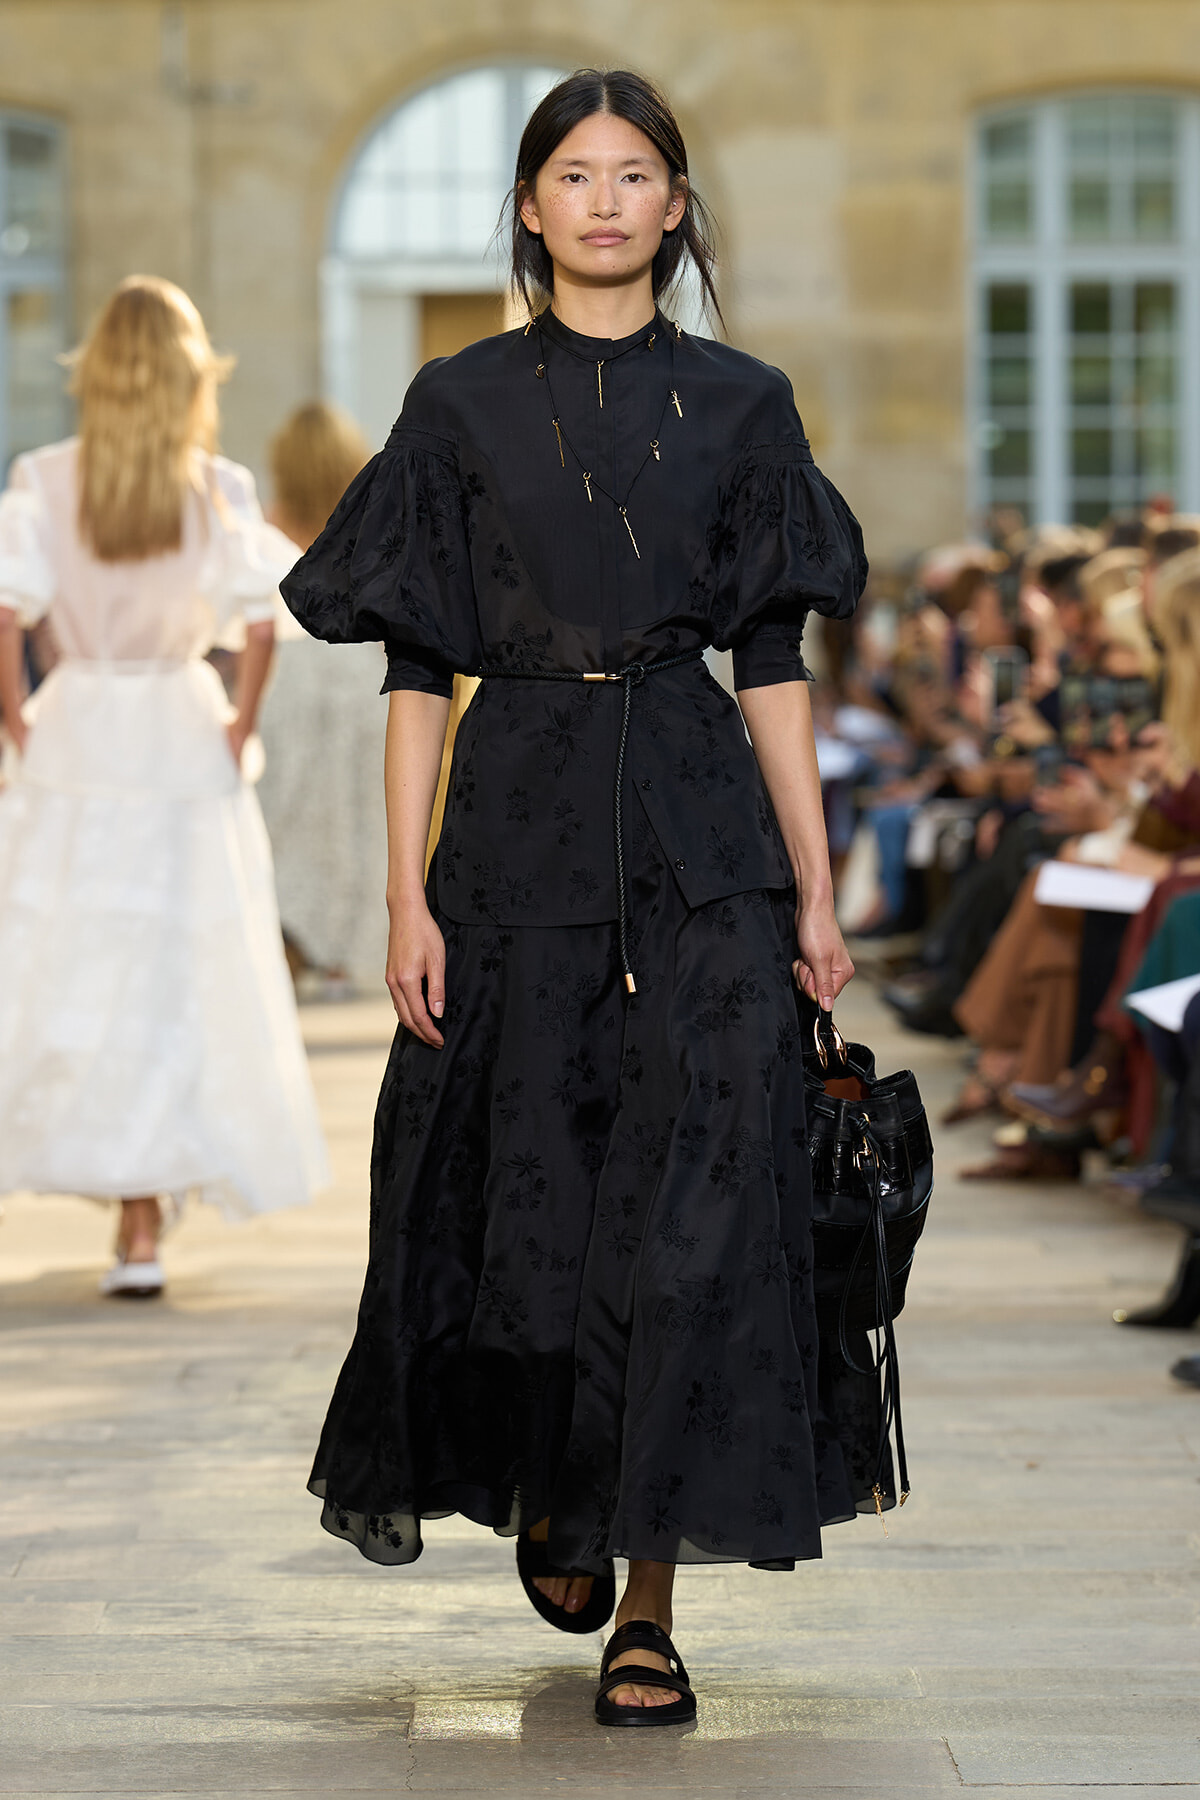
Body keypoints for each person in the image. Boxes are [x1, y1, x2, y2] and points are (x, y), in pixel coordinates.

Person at [283, 69, 874, 1728]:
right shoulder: (456, 402)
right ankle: (561, 1488)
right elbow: (416, 666)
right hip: (513, 830)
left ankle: (651, 1603)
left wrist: (816, 890)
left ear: (676, 206)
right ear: (531, 208)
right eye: (574, 174)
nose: (605, 201)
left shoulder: (747, 404)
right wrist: (402, 897)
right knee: (527, 1203)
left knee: (695, 1222)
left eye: (635, 175)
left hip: (703, 837)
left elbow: (773, 660)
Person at [0, 275, 328, 1297]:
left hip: (79, 729)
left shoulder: (44, 477)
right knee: (176, 969)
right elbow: (262, 622)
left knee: (71, 962)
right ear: (193, 378)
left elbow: (7, 612)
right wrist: (237, 724)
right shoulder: (216, 487)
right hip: (181, 733)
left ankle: (127, 1206)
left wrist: (19, 721)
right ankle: (142, 1227)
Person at [254, 402, 386, 995]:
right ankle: (348, 952)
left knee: (291, 807)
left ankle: (292, 934)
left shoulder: (272, 524)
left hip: (293, 666)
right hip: (361, 670)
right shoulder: (371, 518)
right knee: (362, 812)